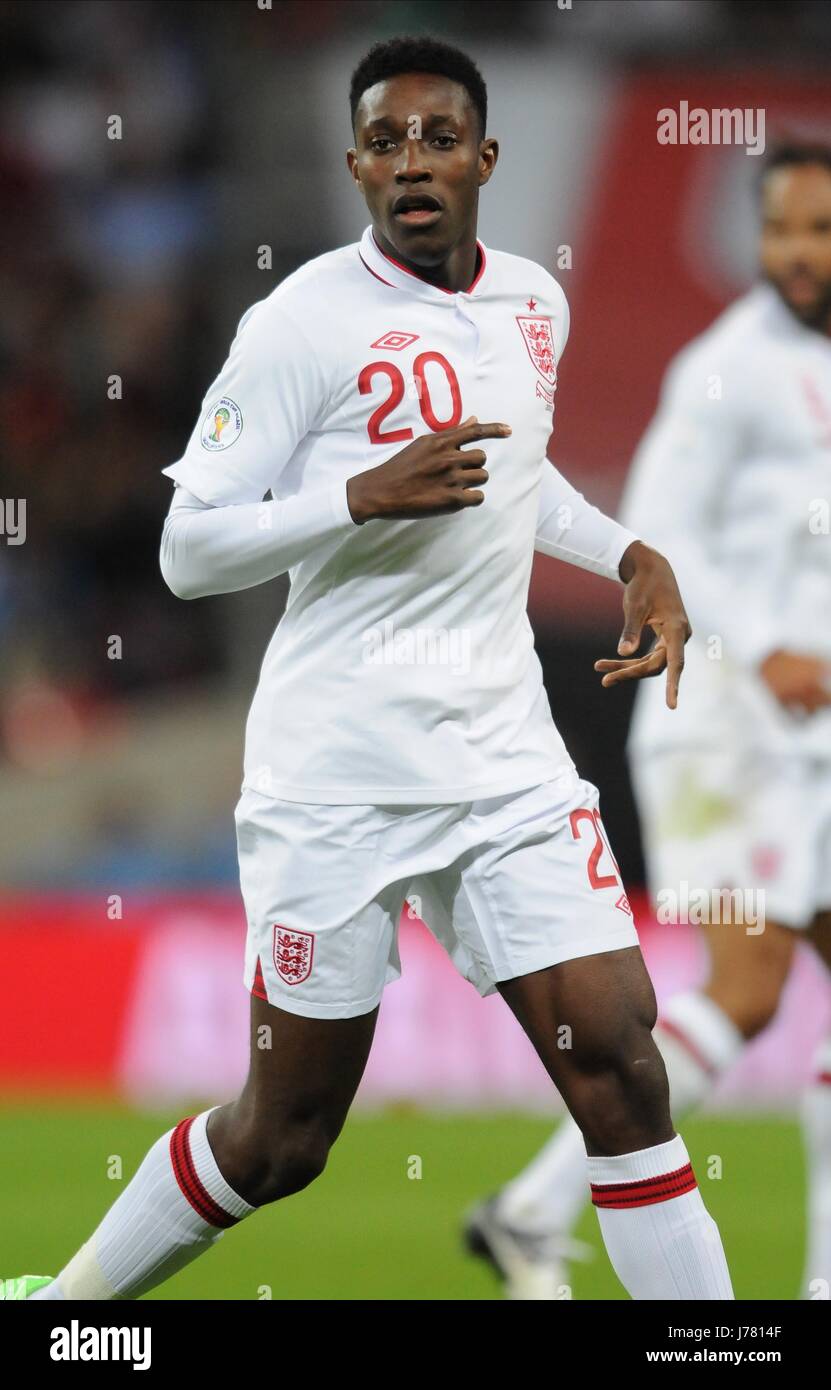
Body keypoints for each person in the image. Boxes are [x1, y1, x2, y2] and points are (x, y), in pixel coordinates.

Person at [3, 36, 732, 1303]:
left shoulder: (533, 306)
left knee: (622, 1065)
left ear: (485, 158)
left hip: (504, 762)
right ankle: (60, 1309)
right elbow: (188, 550)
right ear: (353, 165)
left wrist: (629, 552)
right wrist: (353, 495)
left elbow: (519, 477)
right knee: (282, 1138)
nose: (412, 163)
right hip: (338, 776)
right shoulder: (299, 325)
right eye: (386, 142)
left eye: (438, 139)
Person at [465, 141, 831, 1302]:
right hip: (720, 727)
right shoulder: (727, 370)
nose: (798, 252)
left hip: (805, 737)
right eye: (781, 228)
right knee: (751, 984)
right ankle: (531, 1208)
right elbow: (657, 529)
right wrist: (758, 639)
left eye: (820, 229)